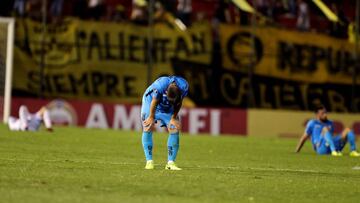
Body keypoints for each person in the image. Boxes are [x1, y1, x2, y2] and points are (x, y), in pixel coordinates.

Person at [141, 76, 189, 170]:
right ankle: (149, 162)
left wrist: (173, 118)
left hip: (168, 107)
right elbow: (154, 101)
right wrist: (151, 117)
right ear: (166, 92)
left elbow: (179, 103)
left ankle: (170, 163)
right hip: (150, 101)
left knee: (174, 128)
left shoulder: (184, 86)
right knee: (148, 126)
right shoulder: (160, 86)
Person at [295, 105, 359, 157]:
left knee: (348, 130)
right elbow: (304, 137)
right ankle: (334, 151)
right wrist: (297, 150)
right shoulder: (312, 123)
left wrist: (345, 138)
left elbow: (330, 136)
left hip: (329, 145)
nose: (325, 115)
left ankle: (353, 151)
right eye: (322, 113)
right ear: (317, 114)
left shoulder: (330, 122)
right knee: (325, 129)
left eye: (325, 112)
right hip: (320, 147)